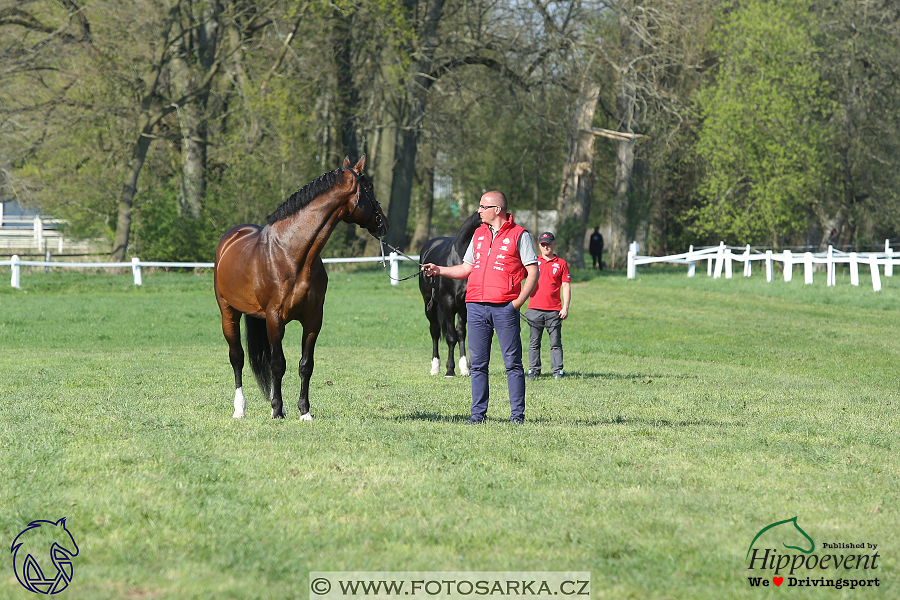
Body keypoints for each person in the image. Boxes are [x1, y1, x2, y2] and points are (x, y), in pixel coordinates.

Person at [422, 191, 539, 425]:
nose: (478, 211)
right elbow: (466, 269)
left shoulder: (520, 235)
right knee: (478, 365)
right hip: (476, 307)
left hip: (505, 307)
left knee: (512, 364)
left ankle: (517, 416)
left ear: (497, 209)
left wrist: (517, 303)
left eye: (482, 207)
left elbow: (533, 271)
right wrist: (439, 270)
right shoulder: (478, 235)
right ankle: (478, 415)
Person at [526, 232, 571, 380]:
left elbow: (565, 285)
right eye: (543, 244)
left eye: (548, 244)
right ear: (539, 245)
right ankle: (533, 370)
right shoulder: (532, 261)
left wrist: (565, 307)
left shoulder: (561, 263)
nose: (546, 247)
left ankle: (557, 371)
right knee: (534, 342)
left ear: (554, 245)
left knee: (556, 343)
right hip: (534, 308)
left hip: (554, 310)